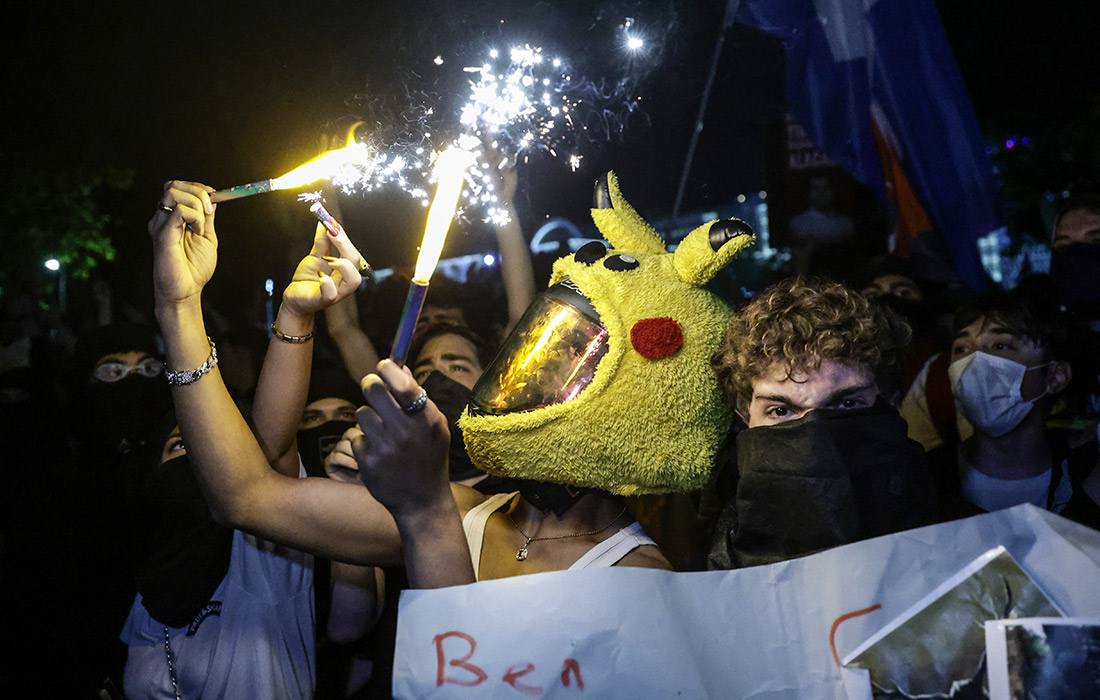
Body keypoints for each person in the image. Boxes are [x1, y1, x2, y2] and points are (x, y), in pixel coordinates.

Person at [147, 179, 671, 591]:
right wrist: (179, 306)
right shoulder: (469, 511)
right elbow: (244, 498)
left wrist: (424, 507)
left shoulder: (642, 579)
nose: (526, 385)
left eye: (560, 371)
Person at [707, 277, 936, 569]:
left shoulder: (960, 537)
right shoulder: (718, 564)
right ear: (745, 417)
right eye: (780, 411)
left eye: (846, 404)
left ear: (893, 404)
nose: (813, 436)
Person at [929, 287, 1099, 526]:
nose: (974, 363)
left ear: (1055, 376)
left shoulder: (1084, 474)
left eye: (1000, 346)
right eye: (962, 349)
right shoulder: (928, 477)